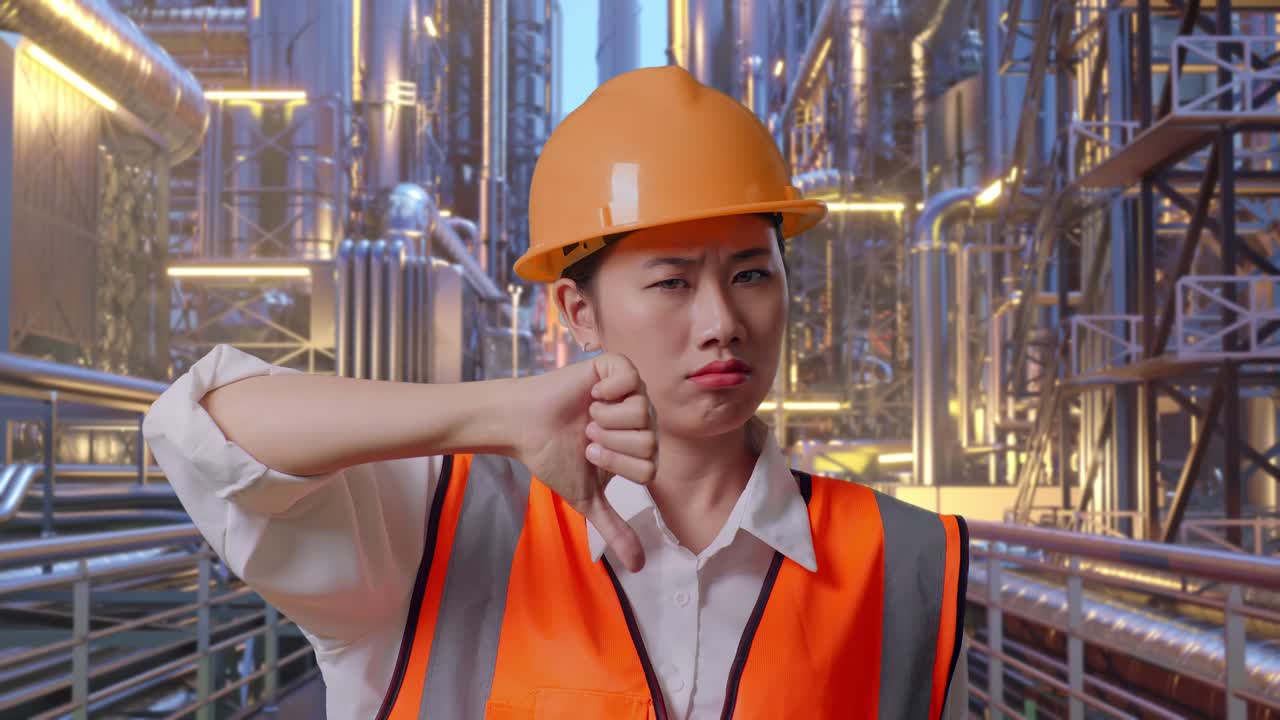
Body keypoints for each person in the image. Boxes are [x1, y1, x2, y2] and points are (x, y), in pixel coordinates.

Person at [143, 66, 969, 720]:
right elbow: (200, 427)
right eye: (673, 283)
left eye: (751, 273)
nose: (722, 322)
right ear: (577, 311)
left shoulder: (906, 566)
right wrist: (498, 411)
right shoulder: (433, 530)